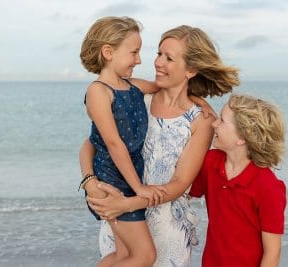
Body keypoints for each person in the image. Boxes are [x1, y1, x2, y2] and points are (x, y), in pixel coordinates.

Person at [80, 25, 240, 266]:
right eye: (159, 54)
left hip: (166, 231)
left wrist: (128, 202)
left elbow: (179, 184)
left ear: (191, 69)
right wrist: (89, 182)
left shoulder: (200, 120)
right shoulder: (136, 96)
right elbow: (92, 145)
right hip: (121, 222)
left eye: (169, 58)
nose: (157, 62)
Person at [79, 16, 168, 267]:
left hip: (129, 174)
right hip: (114, 182)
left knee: (123, 256)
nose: (139, 60)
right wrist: (139, 188)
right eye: (134, 52)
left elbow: (166, 87)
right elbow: (113, 143)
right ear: (108, 52)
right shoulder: (99, 91)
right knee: (144, 256)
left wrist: (201, 102)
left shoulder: (132, 86)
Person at [189, 94, 287, 267]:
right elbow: (186, 190)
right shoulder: (211, 162)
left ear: (242, 137)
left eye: (222, 121)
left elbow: (272, 253)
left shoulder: (268, 187)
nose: (214, 124)